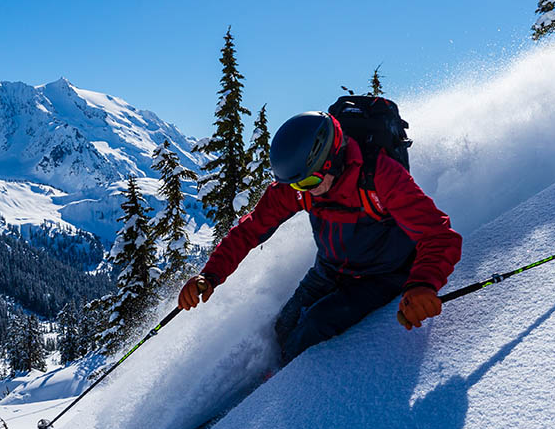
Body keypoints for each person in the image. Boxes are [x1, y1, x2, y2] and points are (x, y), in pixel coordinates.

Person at [178, 111, 462, 365]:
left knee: (312, 329)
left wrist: (423, 284)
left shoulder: (380, 177)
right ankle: (274, 378)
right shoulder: (301, 183)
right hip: (329, 269)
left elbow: (438, 235)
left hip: (382, 276)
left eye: (309, 182)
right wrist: (210, 275)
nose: (303, 191)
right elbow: (250, 229)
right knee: (283, 326)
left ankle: (284, 391)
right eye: (294, 184)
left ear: (334, 158)